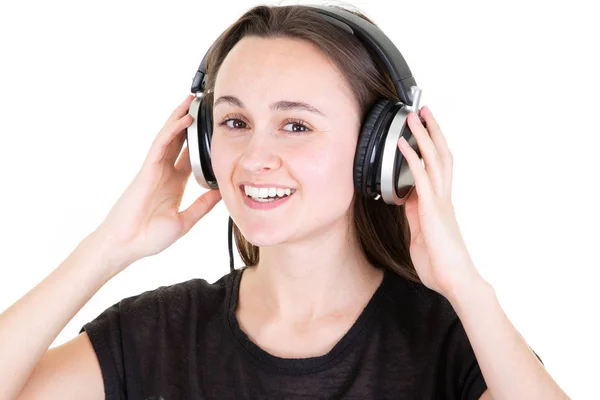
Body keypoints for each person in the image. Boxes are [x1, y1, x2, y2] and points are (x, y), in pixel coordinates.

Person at [0, 4, 569, 400]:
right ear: (201, 143)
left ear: (383, 152)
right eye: (235, 121)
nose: (254, 157)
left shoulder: (450, 341)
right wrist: (106, 248)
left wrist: (465, 286)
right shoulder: (156, 333)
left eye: (296, 124)